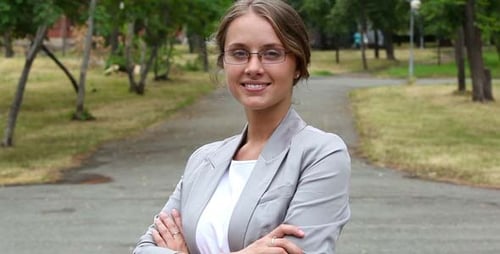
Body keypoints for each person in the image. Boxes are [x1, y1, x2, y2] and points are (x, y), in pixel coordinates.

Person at [133, 0, 351, 253]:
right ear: (223, 62)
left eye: (272, 53)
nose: (253, 68)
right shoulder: (203, 159)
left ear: (298, 65)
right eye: (239, 53)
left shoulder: (320, 155)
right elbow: (144, 249)